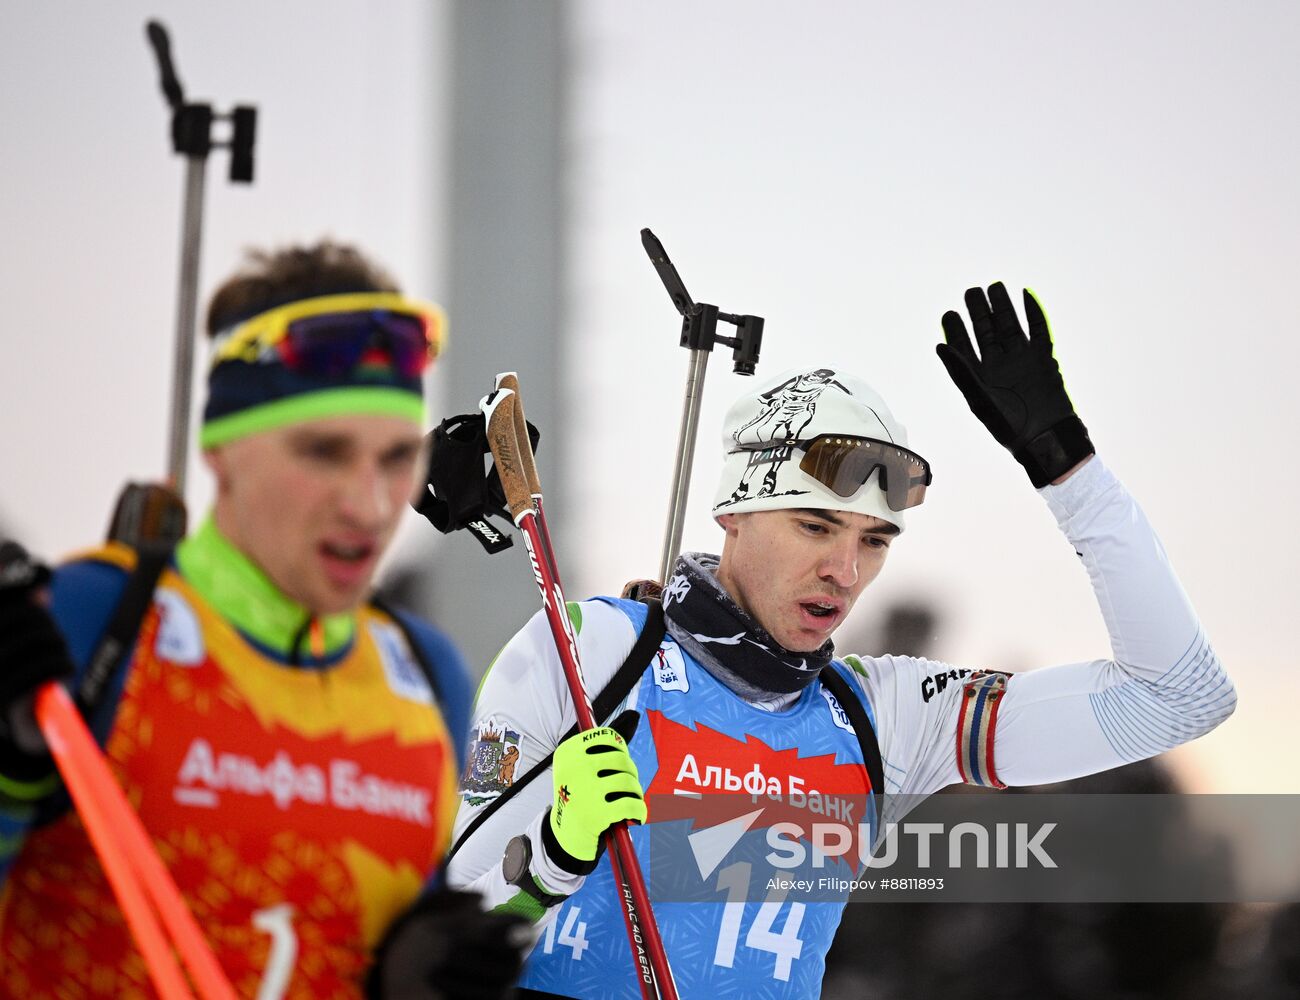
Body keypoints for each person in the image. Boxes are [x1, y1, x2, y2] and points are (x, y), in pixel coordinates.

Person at [444, 282, 1238, 998]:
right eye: (816, 525)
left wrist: (1067, 468)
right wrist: (550, 846)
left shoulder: (883, 715)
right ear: (735, 513)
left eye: (875, 541)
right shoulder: (595, 653)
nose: (845, 570)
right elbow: (443, 945)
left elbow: (1178, 698)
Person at [0, 241, 527, 998]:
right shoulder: (94, 618)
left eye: (393, 458)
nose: (370, 504)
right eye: (324, 452)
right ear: (221, 448)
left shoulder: (420, 671)